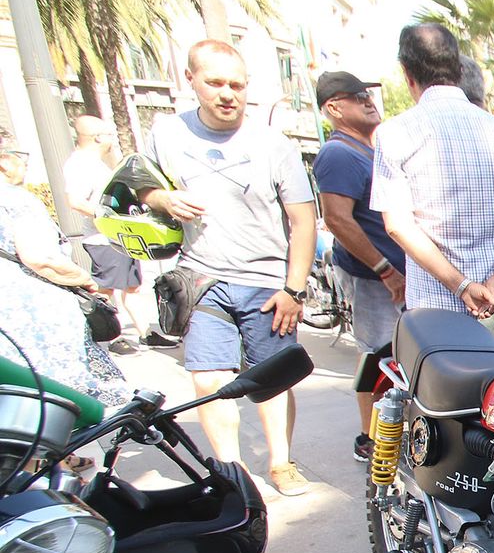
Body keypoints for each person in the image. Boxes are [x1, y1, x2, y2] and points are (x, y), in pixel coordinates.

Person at [141, 40, 316, 496]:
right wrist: (161, 198)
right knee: (210, 377)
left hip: (266, 281)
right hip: (201, 277)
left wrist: (294, 290)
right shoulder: (166, 134)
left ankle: (281, 462)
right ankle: (231, 473)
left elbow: (303, 219)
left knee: (272, 379)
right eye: (215, 82)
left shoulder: (272, 143)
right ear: (191, 80)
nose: (227, 94)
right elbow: (137, 187)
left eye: (236, 85)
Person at [371, 24, 494, 357]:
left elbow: (398, 224)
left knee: (442, 408)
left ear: (408, 74)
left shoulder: (394, 134)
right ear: (456, 68)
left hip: (437, 314)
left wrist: (462, 286)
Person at [312, 69, 406, 463]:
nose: (369, 101)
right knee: (377, 357)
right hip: (374, 279)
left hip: (392, 277)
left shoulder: (367, 150)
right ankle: (370, 440)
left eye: (369, 94)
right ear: (334, 107)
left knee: (395, 357)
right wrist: (385, 268)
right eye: (357, 96)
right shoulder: (338, 153)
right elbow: (337, 219)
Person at [0, 146, 129, 406]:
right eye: (21, 157)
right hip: (31, 317)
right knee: (65, 400)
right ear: (4, 163)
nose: (25, 165)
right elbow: (40, 257)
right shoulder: (15, 199)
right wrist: (84, 279)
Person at [64, 115, 144, 352]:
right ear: (98, 137)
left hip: (120, 236)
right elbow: (75, 201)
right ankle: (108, 338)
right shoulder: (80, 164)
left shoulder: (97, 162)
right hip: (103, 238)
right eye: (110, 134)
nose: (113, 139)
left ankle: (145, 333)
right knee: (106, 289)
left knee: (132, 287)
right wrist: (108, 219)